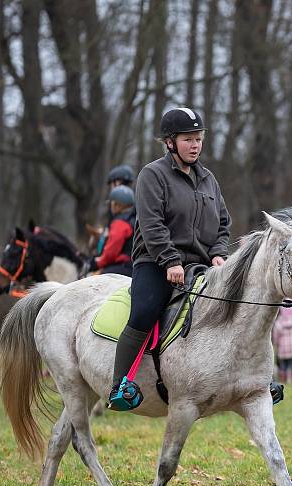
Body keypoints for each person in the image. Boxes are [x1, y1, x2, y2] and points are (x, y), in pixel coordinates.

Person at [107, 107, 231, 411]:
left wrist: (218, 254)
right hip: (155, 262)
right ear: (170, 142)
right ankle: (119, 385)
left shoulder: (208, 179)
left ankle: (251, 379)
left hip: (201, 264)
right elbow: (151, 225)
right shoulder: (152, 175)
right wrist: (169, 260)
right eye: (188, 139)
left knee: (236, 304)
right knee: (145, 310)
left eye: (199, 139)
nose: (195, 145)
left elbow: (224, 223)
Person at [86, 185, 136, 276]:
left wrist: (96, 264)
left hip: (123, 266)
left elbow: (111, 253)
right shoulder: (134, 219)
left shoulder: (120, 223)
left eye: (112, 203)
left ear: (117, 205)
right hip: (134, 265)